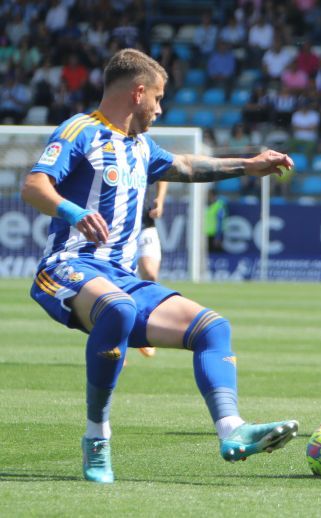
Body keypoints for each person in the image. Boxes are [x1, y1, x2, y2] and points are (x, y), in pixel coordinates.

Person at [22, 49, 298, 484]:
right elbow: (34, 184)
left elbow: (186, 166)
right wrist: (73, 213)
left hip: (121, 278)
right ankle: (97, 437)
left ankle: (232, 430)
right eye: (159, 97)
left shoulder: (140, 146)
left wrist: (248, 164)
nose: (160, 108)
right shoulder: (81, 130)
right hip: (67, 266)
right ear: (138, 93)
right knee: (117, 310)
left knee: (213, 327)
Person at [133, 180, 168, 359]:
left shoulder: (145, 151)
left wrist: (160, 200)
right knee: (114, 283)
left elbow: (163, 173)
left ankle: (146, 328)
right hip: (118, 224)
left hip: (145, 223)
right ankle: (115, 344)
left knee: (150, 274)